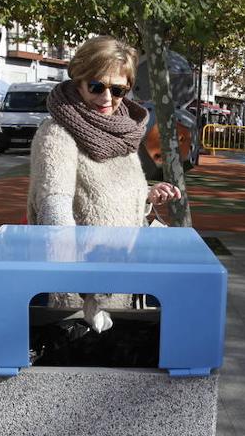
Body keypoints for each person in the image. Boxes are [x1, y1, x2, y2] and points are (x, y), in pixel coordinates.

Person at [28, 35, 181, 311]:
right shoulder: (57, 133)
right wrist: (83, 287)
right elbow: (55, 211)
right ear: (79, 81)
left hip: (119, 281)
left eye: (118, 90)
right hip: (79, 294)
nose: (106, 97)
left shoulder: (122, 131)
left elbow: (107, 197)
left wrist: (147, 195)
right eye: (96, 86)